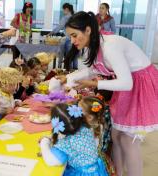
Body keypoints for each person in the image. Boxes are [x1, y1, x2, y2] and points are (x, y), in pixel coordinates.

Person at [59, 11, 158, 176]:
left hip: (139, 86)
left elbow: (127, 83)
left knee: (128, 140)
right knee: (116, 135)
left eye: (75, 35)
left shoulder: (109, 46)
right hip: (126, 87)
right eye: (70, 37)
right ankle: (117, 173)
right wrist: (69, 77)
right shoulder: (96, 44)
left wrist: (96, 83)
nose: (73, 41)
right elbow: (93, 70)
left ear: (88, 30)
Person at [39, 97, 108, 176]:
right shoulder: (86, 127)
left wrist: (44, 142)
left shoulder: (67, 141)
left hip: (82, 173)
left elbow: (52, 161)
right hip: (94, 169)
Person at [48, 3, 78, 69]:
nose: (63, 11)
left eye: (63, 10)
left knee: (69, 57)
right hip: (77, 39)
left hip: (69, 39)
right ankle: (76, 71)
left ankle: (69, 73)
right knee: (75, 57)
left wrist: (51, 33)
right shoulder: (75, 17)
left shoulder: (65, 18)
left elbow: (59, 27)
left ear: (67, 9)